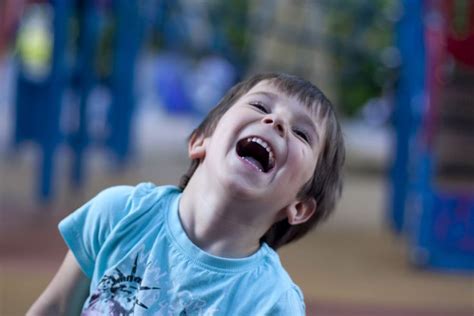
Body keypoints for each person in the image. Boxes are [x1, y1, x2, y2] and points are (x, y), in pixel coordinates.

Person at [27, 72, 345, 315]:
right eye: (260, 105)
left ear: (300, 207)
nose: (275, 121)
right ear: (200, 141)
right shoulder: (120, 213)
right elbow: (55, 308)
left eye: (302, 133)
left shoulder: (272, 302)